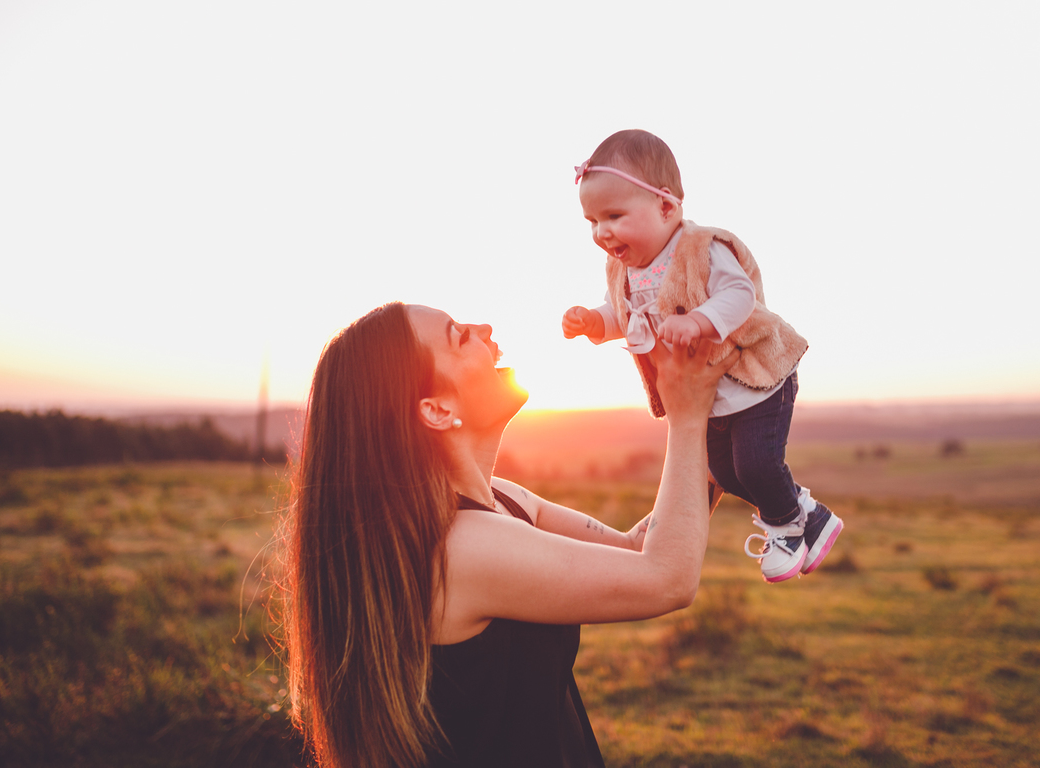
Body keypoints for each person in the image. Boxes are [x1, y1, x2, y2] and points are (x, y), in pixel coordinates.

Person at [279, 301, 737, 768]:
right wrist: (687, 415)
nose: (485, 328)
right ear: (437, 409)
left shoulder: (503, 501)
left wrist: (726, 413)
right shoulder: (460, 549)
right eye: (460, 335)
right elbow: (666, 578)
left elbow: (640, 547)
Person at [561, 129, 843, 583]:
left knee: (756, 464)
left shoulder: (701, 247)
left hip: (756, 378)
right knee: (722, 473)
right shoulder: (624, 270)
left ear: (667, 207)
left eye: (613, 215)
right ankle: (808, 512)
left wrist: (698, 322)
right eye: (592, 221)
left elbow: (739, 294)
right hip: (709, 396)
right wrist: (595, 322)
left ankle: (788, 525)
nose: (602, 232)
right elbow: (623, 313)